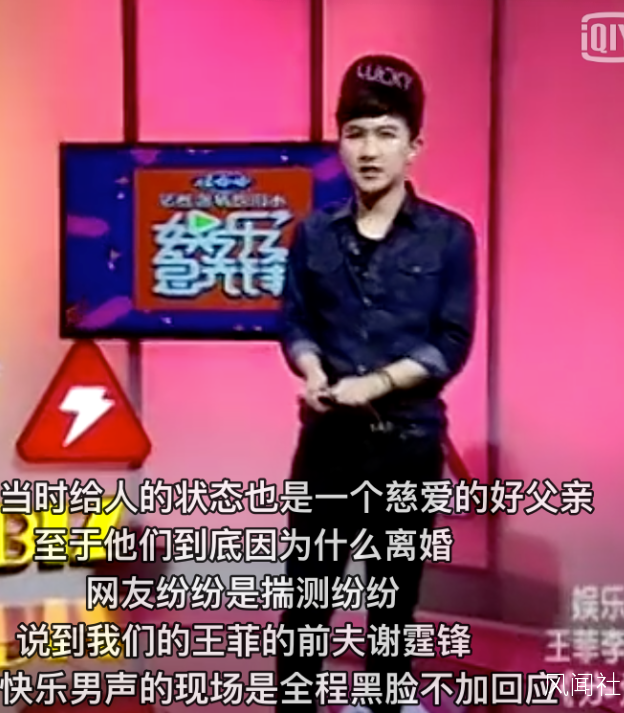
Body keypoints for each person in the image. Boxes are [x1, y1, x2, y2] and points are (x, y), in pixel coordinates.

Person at [276, 54, 477, 713]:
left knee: (393, 602)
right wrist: (313, 370)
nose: (368, 150)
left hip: (408, 445)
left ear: (414, 145)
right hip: (327, 445)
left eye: (386, 134)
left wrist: (377, 384)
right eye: (355, 133)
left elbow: (451, 342)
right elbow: (295, 322)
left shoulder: (450, 237)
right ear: (339, 141)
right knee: (306, 601)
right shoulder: (312, 233)